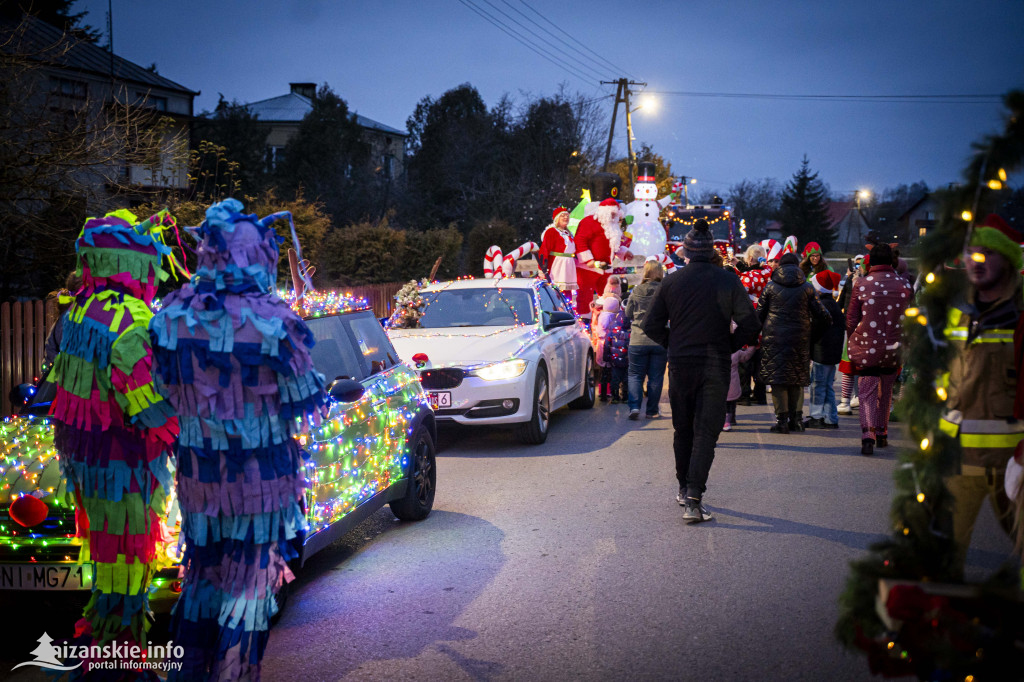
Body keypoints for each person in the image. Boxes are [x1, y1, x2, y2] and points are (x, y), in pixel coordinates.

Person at [151, 199, 330, 679]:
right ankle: (231, 674)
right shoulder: (276, 321)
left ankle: (189, 672)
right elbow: (302, 398)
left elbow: (162, 396)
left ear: (207, 252)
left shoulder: (168, 318)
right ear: (258, 255)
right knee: (250, 588)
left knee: (202, 579)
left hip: (198, 480)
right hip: (261, 480)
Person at [49, 210, 179, 667]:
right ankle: (119, 665)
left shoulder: (81, 310)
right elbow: (145, 403)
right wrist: (188, 432)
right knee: (128, 565)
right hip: (123, 464)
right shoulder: (133, 321)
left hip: (90, 463)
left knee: (110, 567)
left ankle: (107, 657)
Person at [643, 219, 760, 523]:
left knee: (683, 429)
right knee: (706, 431)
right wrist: (729, 344)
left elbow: (651, 325)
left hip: (681, 364)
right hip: (714, 363)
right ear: (711, 252)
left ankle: (684, 488)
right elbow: (751, 323)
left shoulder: (671, 282)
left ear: (685, 252)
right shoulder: (727, 281)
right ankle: (694, 497)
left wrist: (674, 343)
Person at [939, 214, 1024, 576]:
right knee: (945, 557)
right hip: (959, 459)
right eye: (972, 252)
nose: (977, 260)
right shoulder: (957, 313)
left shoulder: (1020, 316)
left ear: (1009, 260)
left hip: (1013, 458)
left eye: (988, 252)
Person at [846, 243, 912, 455]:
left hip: (868, 346)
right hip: (894, 347)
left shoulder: (862, 285)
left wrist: (853, 339)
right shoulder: (904, 285)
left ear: (871, 261)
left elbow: (851, 318)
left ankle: (868, 436)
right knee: (886, 391)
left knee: (866, 392)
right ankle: (883, 432)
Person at [757, 252, 831, 434]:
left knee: (778, 379)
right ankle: (797, 420)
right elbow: (825, 316)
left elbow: (758, 315)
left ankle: (781, 421)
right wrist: (812, 334)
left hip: (774, 338)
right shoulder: (807, 288)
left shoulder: (770, 287)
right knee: (797, 378)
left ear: (780, 267)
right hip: (800, 339)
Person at [624, 260, 668, 420]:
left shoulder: (637, 290)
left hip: (637, 339)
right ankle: (652, 411)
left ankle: (634, 407)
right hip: (659, 340)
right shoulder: (664, 290)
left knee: (635, 374)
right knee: (656, 377)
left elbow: (628, 313)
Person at [574, 197, 633, 315]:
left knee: (608, 295)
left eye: (615, 213)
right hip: (589, 268)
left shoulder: (614, 226)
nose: (613, 216)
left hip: (606, 268)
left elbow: (615, 245)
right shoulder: (589, 222)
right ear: (604, 212)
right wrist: (588, 260)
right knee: (585, 296)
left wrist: (624, 252)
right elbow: (580, 240)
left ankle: (604, 319)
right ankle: (584, 320)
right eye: (611, 213)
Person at [805, 271, 844, 429]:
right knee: (827, 385)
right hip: (832, 352)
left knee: (817, 385)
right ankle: (831, 417)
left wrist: (808, 346)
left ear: (818, 289)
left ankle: (816, 416)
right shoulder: (833, 304)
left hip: (822, 351)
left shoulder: (822, 306)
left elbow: (815, 329)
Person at [738, 245, 772, 405]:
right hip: (766, 320)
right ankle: (760, 394)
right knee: (761, 360)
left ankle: (744, 394)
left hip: (750, 319)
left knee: (746, 359)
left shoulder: (748, 276)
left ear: (750, 258)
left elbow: (740, 295)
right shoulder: (769, 274)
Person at [837, 255, 866, 414]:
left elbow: (853, 311)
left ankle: (850, 400)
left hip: (856, 330)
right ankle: (852, 399)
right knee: (856, 368)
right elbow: (843, 302)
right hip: (867, 331)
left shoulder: (861, 284)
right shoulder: (852, 281)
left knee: (852, 367)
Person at [538, 206, 577, 303]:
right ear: (557, 218)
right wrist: (542, 268)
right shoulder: (552, 232)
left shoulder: (569, 233)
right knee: (556, 289)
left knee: (567, 291)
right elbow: (544, 250)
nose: (565, 218)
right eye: (562, 216)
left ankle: (567, 308)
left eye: (567, 216)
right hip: (557, 264)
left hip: (569, 265)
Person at [600, 296, 630, 404]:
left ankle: (615, 396)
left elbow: (608, 340)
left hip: (615, 356)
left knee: (615, 377)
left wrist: (606, 355)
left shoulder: (614, 322)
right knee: (627, 377)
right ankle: (626, 396)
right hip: (629, 355)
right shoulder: (633, 322)